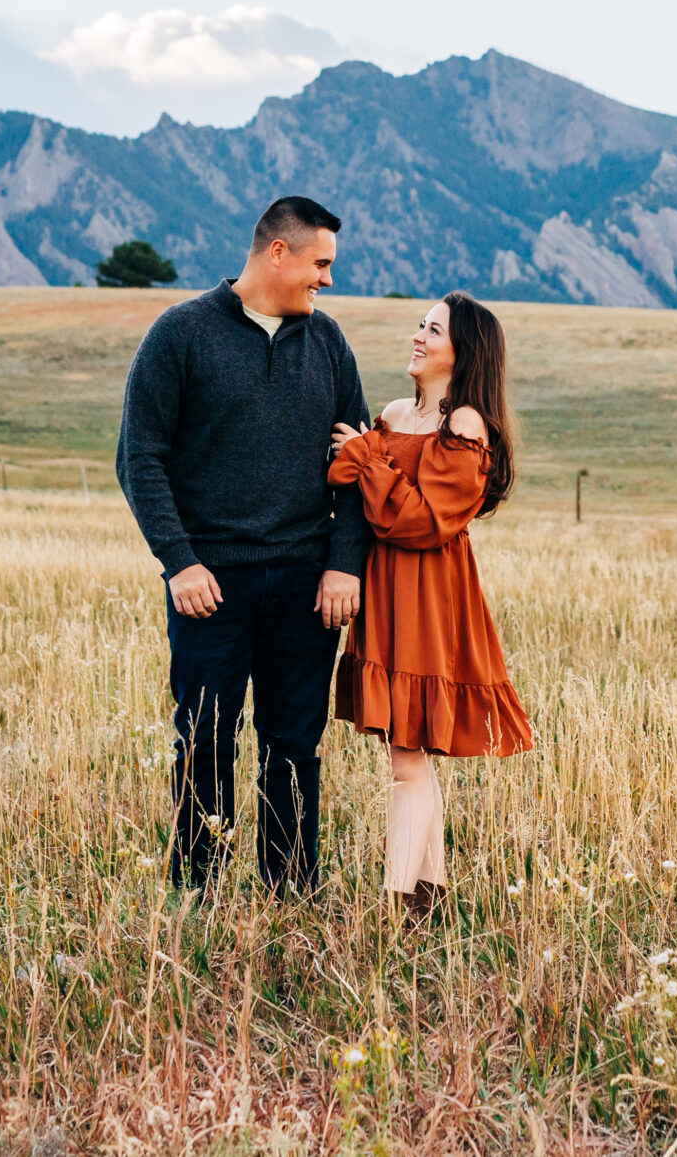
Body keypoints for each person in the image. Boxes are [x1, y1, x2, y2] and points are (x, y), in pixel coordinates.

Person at [116, 196, 370, 895]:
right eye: (320, 263)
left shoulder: (329, 344)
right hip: (211, 585)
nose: (327, 279)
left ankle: (290, 891)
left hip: (303, 585)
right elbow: (140, 457)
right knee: (205, 741)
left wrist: (345, 561)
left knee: (294, 745)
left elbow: (358, 464)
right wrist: (179, 559)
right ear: (277, 253)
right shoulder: (182, 335)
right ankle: (199, 889)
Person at [330, 290, 533, 919]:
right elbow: (355, 490)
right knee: (407, 749)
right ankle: (428, 898)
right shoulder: (393, 412)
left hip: (427, 594)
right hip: (385, 588)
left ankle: (394, 907)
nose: (418, 336)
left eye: (433, 329)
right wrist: (365, 458)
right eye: (420, 324)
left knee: (406, 755)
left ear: (463, 350)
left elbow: (421, 521)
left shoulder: (465, 424)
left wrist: (366, 456)